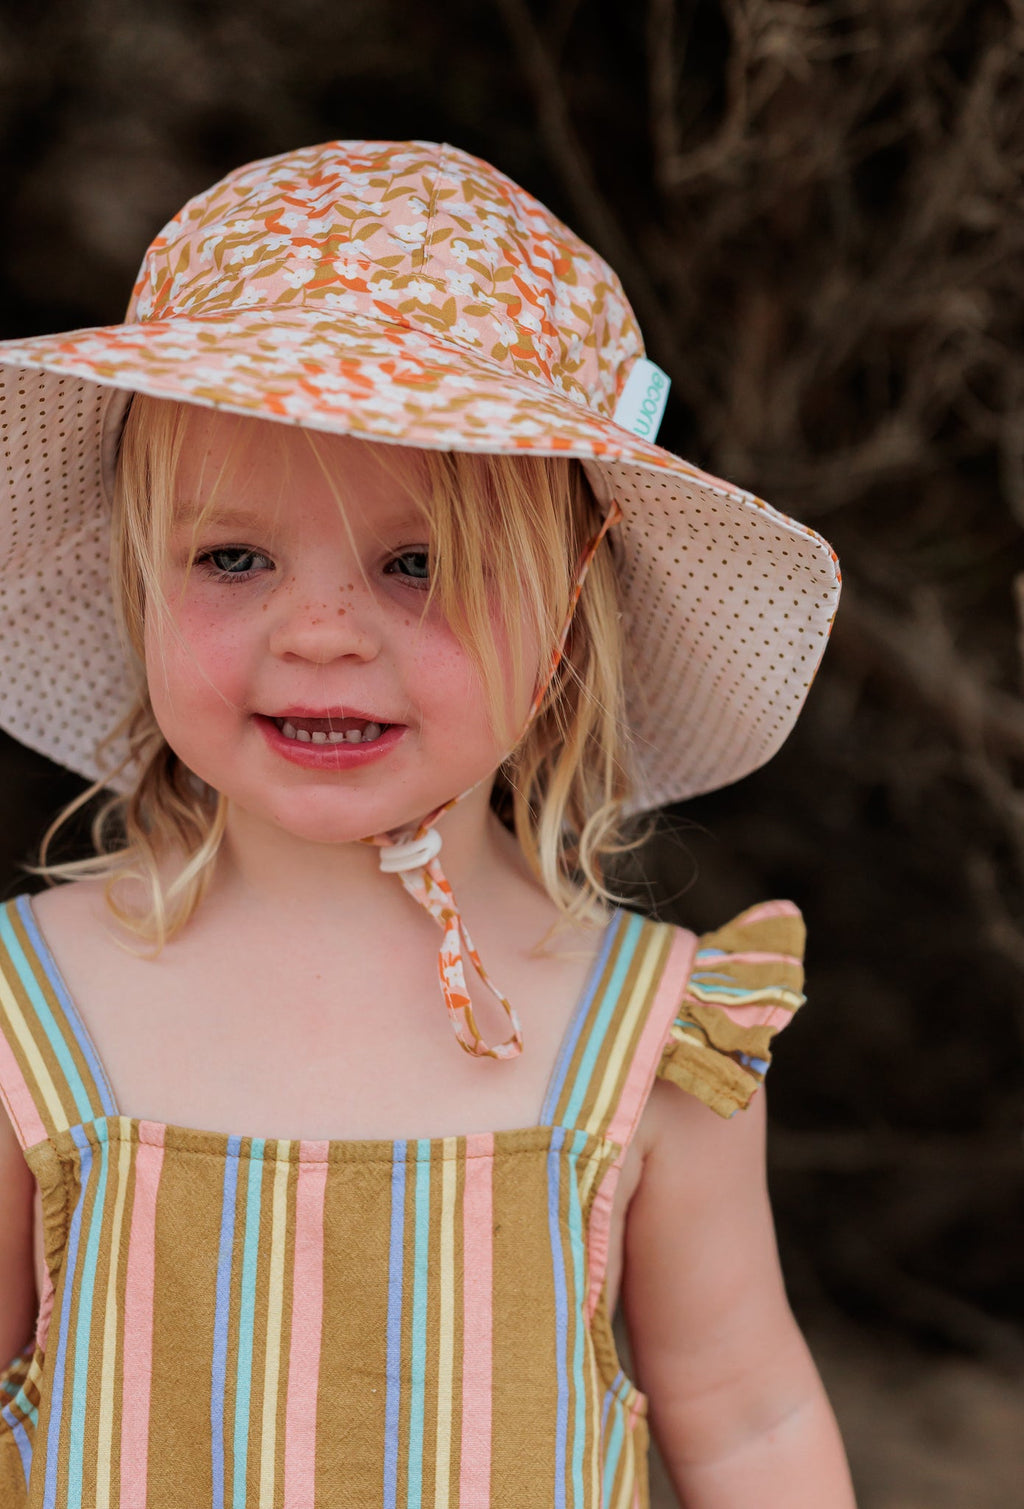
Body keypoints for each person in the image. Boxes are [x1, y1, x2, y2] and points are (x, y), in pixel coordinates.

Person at [0, 140, 855, 1507]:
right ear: (134, 578)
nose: (322, 633)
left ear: (567, 609)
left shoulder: (646, 1033)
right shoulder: (33, 1009)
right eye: (234, 557)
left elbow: (748, 1417)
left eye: (420, 566)